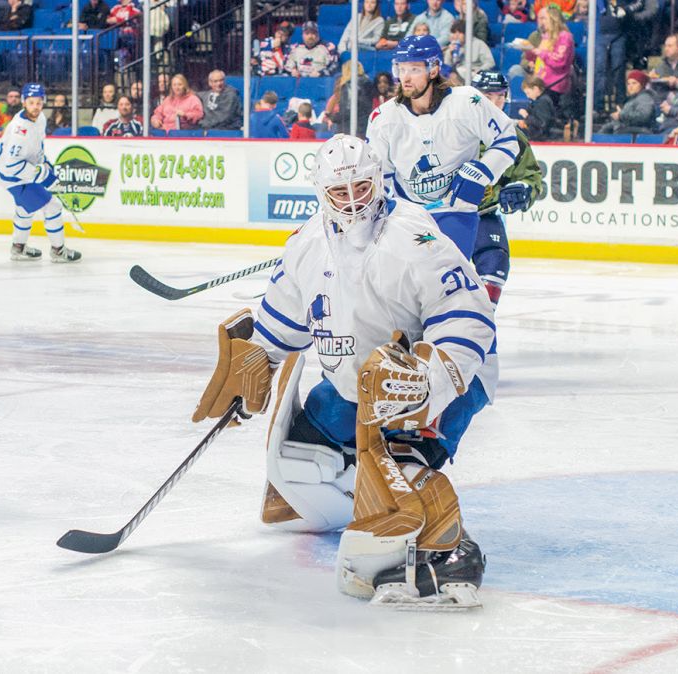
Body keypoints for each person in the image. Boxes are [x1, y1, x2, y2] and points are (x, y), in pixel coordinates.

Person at [191, 134, 493, 609]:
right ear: (320, 191)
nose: (353, 201)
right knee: (309, 447)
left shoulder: (414, 236)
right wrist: (255, 365)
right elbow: (280, 325)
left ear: (378, 181)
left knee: (398, 454)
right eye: (340, 191)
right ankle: (371, 496)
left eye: (362, 187)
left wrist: (431, 378)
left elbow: (467, 314)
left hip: (440, 383)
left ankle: (447, 547)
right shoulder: (307, 245)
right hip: (354, 388)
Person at [367, 35, 526, 259]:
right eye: (401, 69)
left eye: (414, 69)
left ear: (433, 70)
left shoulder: (468, 102)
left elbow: (507, 138)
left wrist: (481, 173)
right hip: (408, 215)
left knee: (444, 279)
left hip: (457, 211)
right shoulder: (383, 117)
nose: (406, 77)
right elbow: (378, 174)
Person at [470, 70, 544, 304]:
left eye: (499, 96)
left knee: (495, 262)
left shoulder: (512, 135)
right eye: (487, 96)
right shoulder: (451, 129)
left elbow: (532, 177)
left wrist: (523, 189)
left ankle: (479, 322)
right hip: (441, 216)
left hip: (483, 215)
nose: (494, 103)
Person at [0, 83, 81, 263]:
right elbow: (12, 166)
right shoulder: (19, 130)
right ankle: (58, 251)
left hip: (22, 172)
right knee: (53, 206)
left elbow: (36, 148)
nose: (35, 107)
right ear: (24, 102)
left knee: (25, 209)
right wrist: (42, 175)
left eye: (39, 102)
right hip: (13, 177)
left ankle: (18, 248)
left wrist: (45, 164)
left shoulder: (40, 118)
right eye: (31, 102)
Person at [514, 7, 575, 105]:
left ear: (553, 19)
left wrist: (537, 51)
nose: (540, 22)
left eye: (543, 18)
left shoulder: (565, 36)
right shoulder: (546, 36)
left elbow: (559, 61)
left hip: (555, 84)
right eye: (539, 18)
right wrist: (528, 50)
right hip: (541, 80)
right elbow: (536, 58)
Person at [325, 61, 373, 138]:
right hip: (364, 127)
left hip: (349, 129)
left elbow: (348, 110)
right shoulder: (368, 83)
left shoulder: (349, 85)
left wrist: (333, 117)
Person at [599, 69, 657, 134]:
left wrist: (621, 115)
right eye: (628, 84)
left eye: (634, 83)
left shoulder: (645, 98)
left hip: (640, 133)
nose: (630, 86)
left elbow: (643, 116)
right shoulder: (631, 99)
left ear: (642, 85)